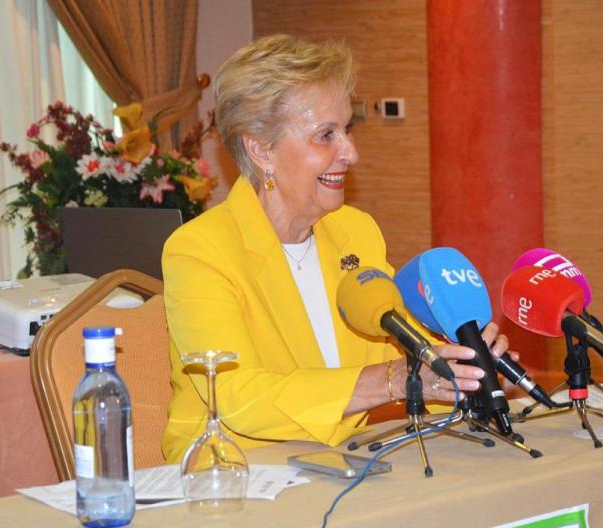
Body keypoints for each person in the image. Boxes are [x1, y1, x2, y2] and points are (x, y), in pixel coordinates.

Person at [160, 35, 511, 463]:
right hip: (233, 473)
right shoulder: (200, 250)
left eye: (347, 129)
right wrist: (392, 382)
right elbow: (236, 396)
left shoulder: (356, 232)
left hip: (343, 464)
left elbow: (398, 350)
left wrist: (459, 367)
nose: (351, 152)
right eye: (325, 135)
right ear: (260, 148)